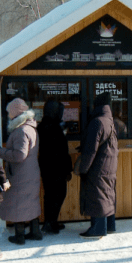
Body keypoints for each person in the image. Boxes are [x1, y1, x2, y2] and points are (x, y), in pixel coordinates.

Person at [0, 98, 42, 245]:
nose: (8, 116)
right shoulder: (31, 128)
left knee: (18, 203)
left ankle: (19, 236)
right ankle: (35, 232)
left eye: (9, 113)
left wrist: (1, 152)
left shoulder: (21, 130)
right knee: (31, 202)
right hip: (31, 172)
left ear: (15, 113)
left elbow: (19, 155)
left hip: (20, 174)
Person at [78, 92, 119, 238]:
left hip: (98, 166)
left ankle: (98, 228)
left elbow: (90, 150)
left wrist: (83, 169)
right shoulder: (109, 120)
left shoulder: (97, 122)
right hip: (108, 165)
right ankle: (110, 225)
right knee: (107, 194)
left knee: (98, 195)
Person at [37, 100, 73, 234]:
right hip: (57, 167)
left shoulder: (41, 126)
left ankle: (50, 222)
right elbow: (63, 151)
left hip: (46, 166)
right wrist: (68, 169)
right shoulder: (55, 127)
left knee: (50, 195)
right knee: (59, 194)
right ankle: (50, 222)